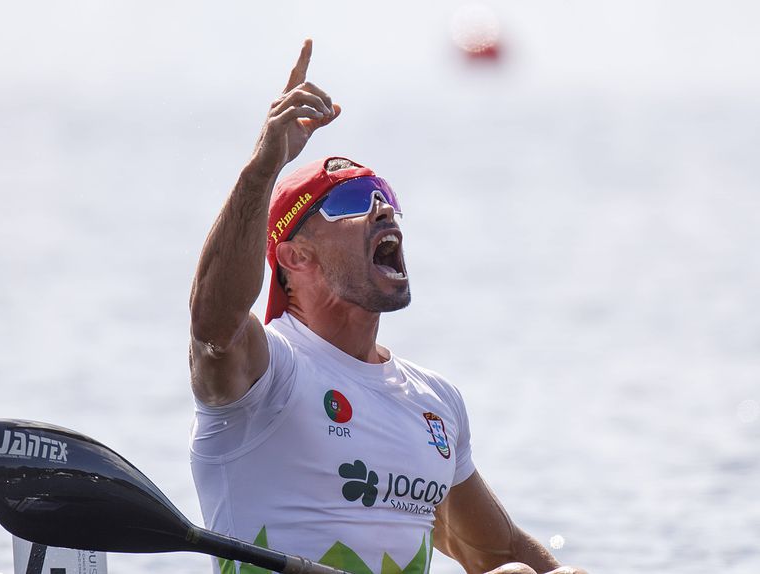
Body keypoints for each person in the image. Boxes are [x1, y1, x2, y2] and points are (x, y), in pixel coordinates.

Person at [189, 39, 587, 574]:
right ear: (295, 256)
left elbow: (497, 551)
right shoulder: (266, 371)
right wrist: (262, 171)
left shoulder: (434, 404)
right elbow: (213, 327)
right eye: (351, 201)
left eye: (385, 195)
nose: (382, 206)